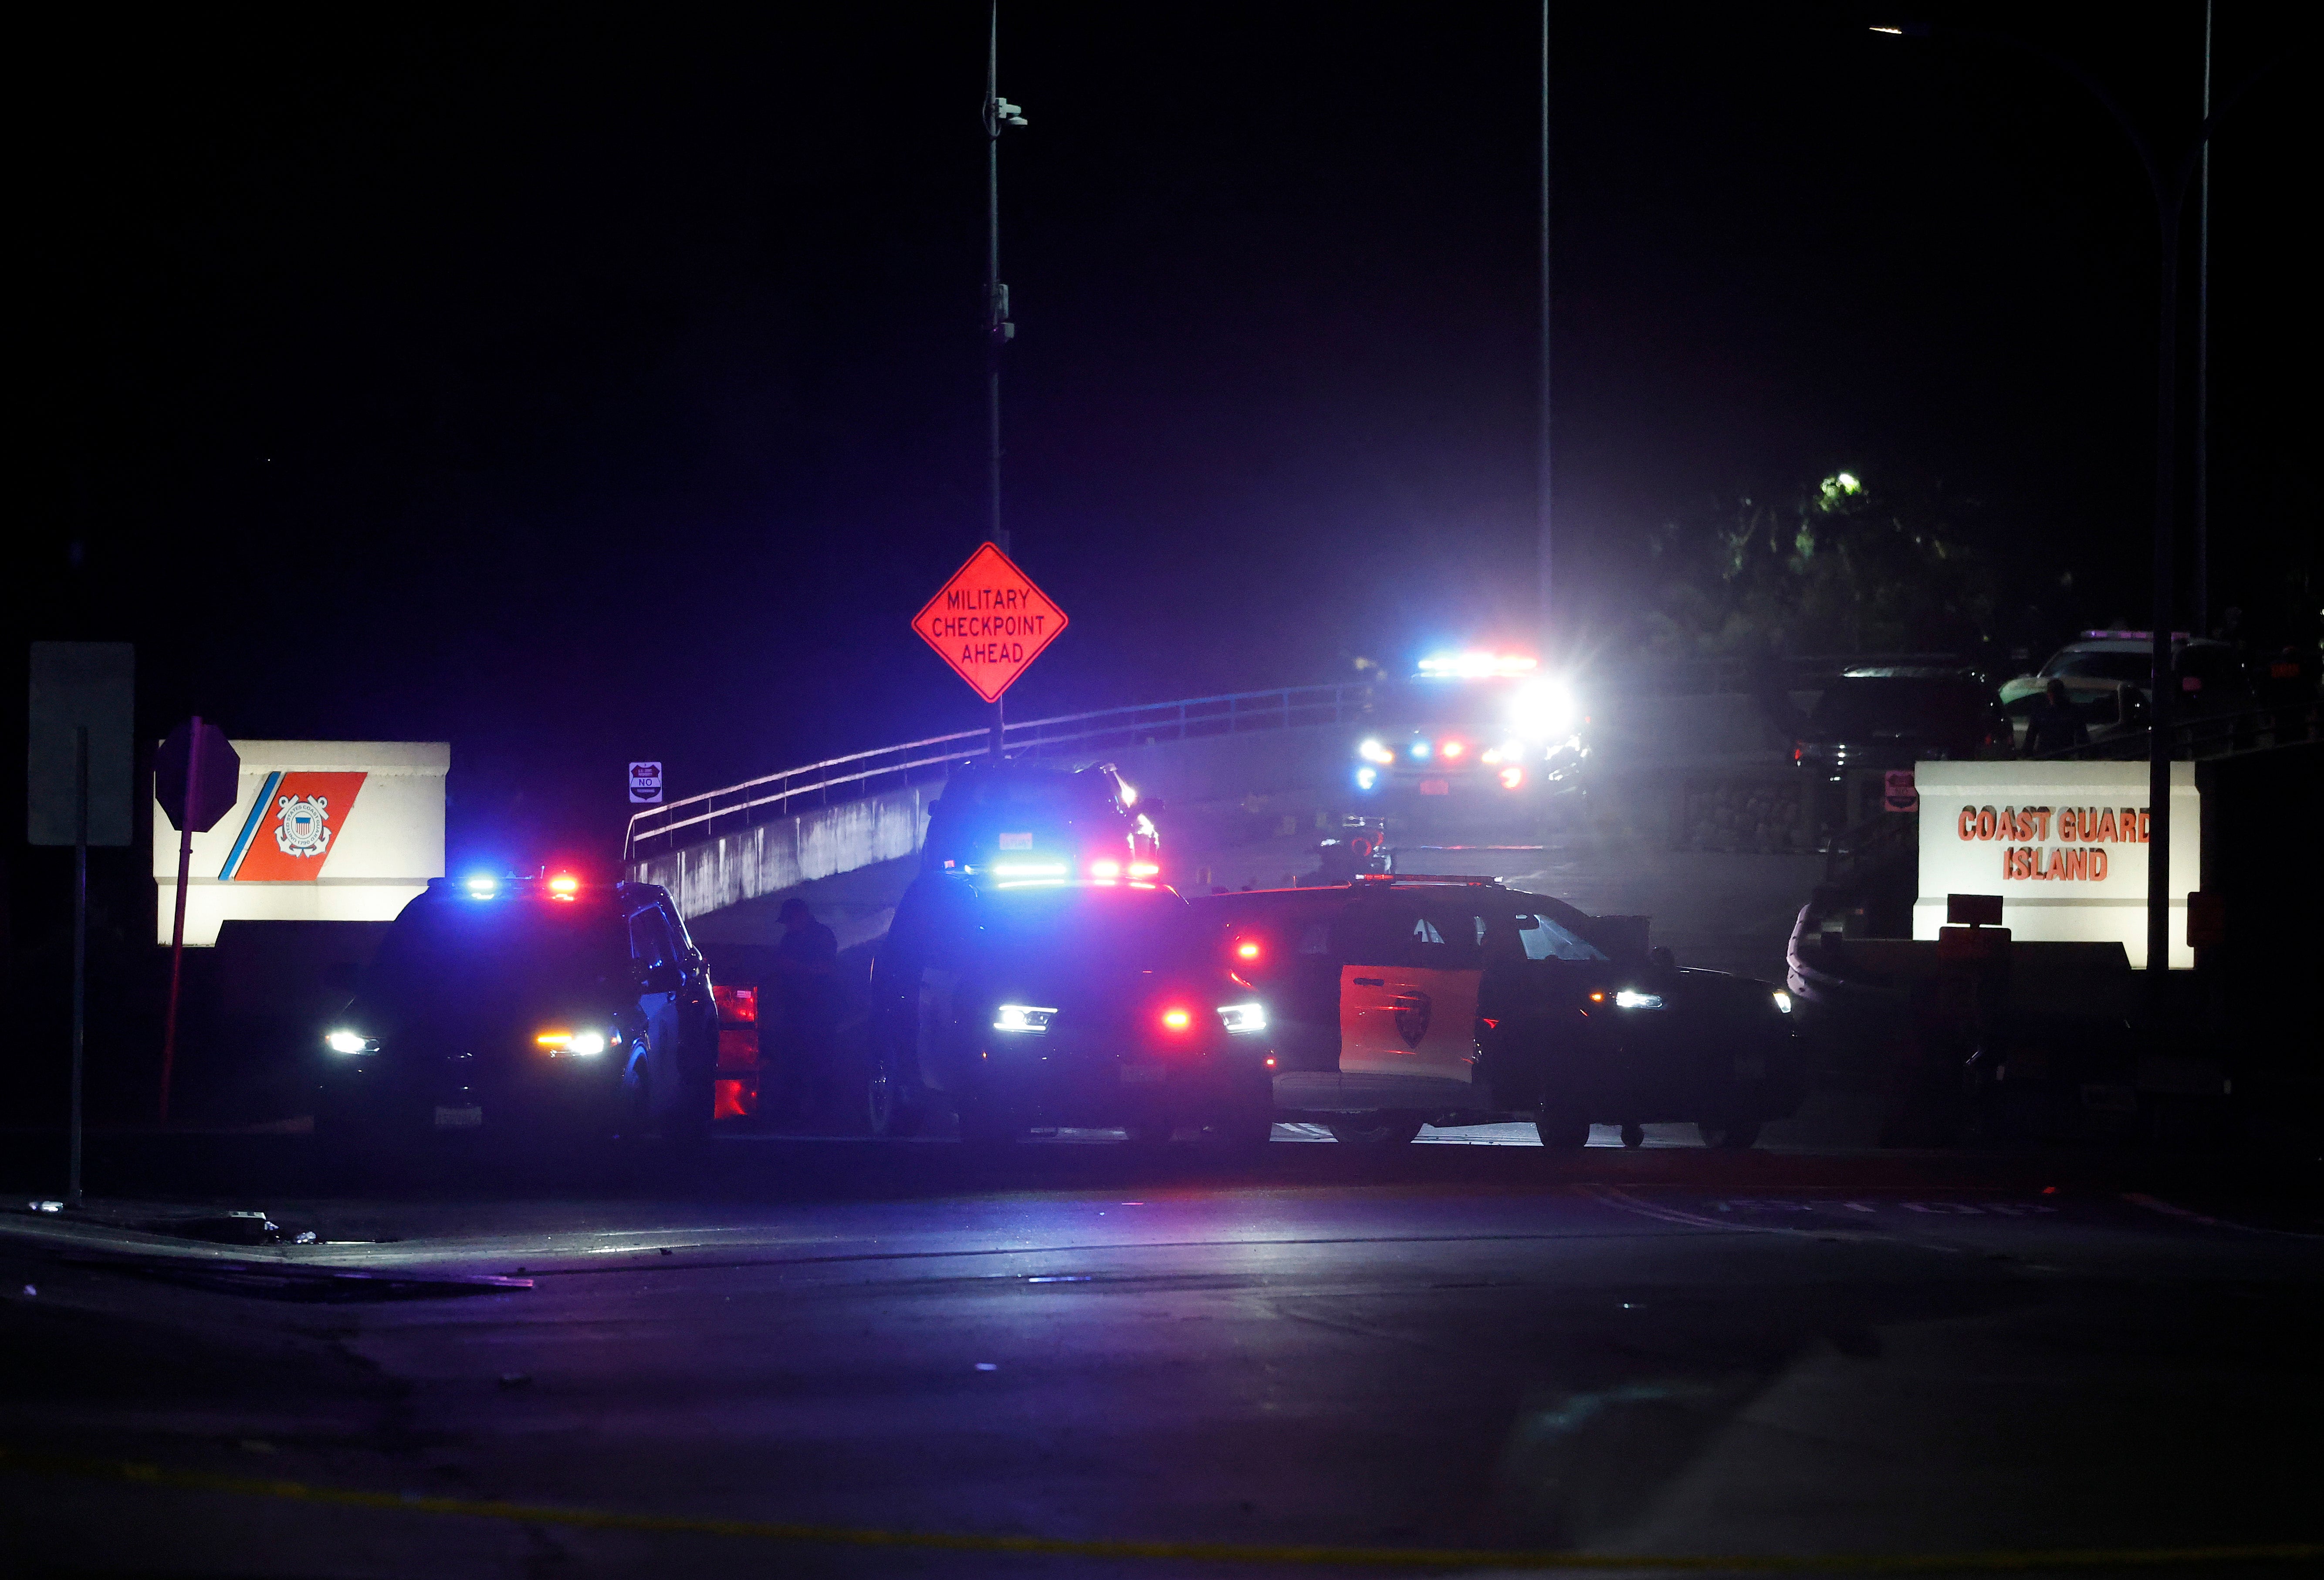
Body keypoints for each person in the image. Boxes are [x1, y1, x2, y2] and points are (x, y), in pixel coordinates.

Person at [771, 897, 841, 1125]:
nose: (788, 926)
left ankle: (824, 1109)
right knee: (794, 1059)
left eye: (790, 921)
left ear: (800, 917)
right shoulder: (790, 939)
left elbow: (826, 969)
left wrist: (799, 969)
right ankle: (795, 1108)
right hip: (796, 1010)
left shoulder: (823, 937)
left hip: (819, 1009)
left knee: (820, 1059)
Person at [2023, 679, 2088, 756]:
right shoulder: (2073, 711)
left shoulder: (2042, 712)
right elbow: (2031, 736)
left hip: (2058, 755)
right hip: (2056, 755)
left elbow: (2030, 737)